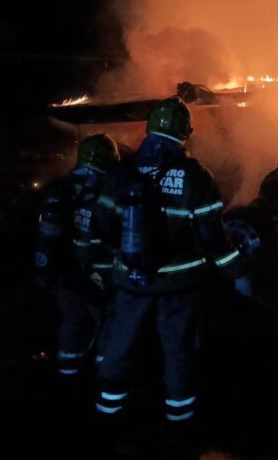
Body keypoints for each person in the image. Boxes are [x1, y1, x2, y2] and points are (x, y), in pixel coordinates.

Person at [94, 97, 251, 424]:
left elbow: (104, 225)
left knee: (120, 342)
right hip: (178, 286)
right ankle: (179, 421)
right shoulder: (196, 176)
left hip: (130, 280)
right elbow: (213, 236)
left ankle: (108, 413)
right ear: (185, 133)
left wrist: (123, 260)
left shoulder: (120, 171)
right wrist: (237, 274)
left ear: (149, 129)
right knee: (177, 349)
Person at [33, 134, 121, 378]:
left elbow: (46, 238)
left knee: (72, 326)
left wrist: (43, 274)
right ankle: (106, 382)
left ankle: (68, 380)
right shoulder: (110, 189)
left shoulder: (59, 188)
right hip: (104, 274)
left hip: (67, 275)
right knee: (109, 326)